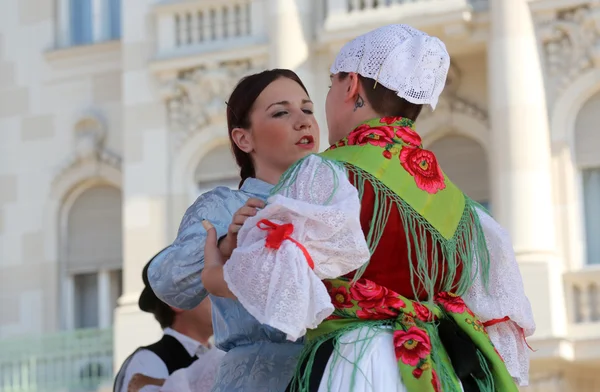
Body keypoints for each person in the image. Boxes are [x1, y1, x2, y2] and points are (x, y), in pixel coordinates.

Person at [203, 24, 535, 392]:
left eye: (330, 87)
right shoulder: (467, 210)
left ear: (352, 86)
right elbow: (497, 326)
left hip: (357, 364)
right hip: (440, 372)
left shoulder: (327, 174)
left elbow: (278, 286)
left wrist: (217, 270)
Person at [147, 69, 321, 391]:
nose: (303, 121)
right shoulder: (224, 207)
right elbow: (167, 284)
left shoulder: (338, 201)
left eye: (308, 109)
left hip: (333, 374)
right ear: (244, 138)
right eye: (282, 112)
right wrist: (226, 246)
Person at [113, 251, 214, 392]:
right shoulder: (148, 361)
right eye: (206, 289)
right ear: (178, 302)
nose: (219, 295)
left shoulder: (220, 354)